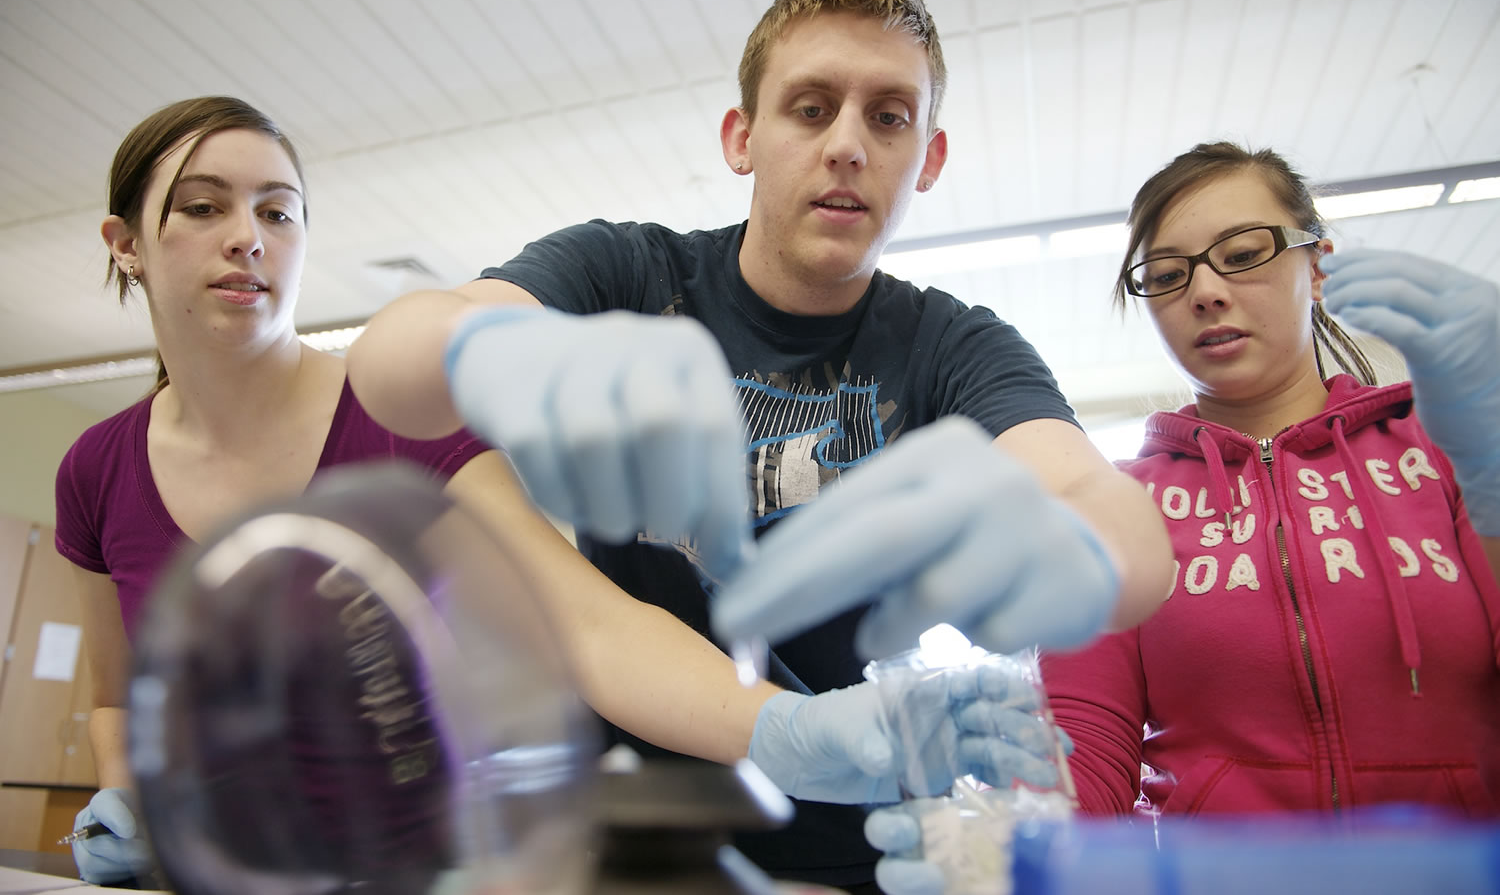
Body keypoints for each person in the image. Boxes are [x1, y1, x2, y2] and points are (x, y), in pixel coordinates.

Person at [56, 97, 1051, 890]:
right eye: (203, 205)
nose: (249, 236)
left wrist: (788, 728)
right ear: (125, 240)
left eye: (278, 210)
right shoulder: (96, 469)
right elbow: (117, 691)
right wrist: (133, 800)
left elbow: (589, 627)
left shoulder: (402, 419)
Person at [346, 0, 1173, 889]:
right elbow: (390, 363)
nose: (848, 146)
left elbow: (1107, 509)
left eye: (889, 117)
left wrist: (1083, 545)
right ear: (743, 137)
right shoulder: (630, 277)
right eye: (811, 108)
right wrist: (484, 352)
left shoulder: (952, 346)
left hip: (858, 846)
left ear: (929, 159)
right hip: (631, 841)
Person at [863, 141, 1500, 893]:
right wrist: (998, 823)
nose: (1205, 291)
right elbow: (1090, 750)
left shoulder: (1446, 451)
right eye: (1167, 275)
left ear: (1317, 265)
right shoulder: (1121, 508)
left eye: (1242, 253)